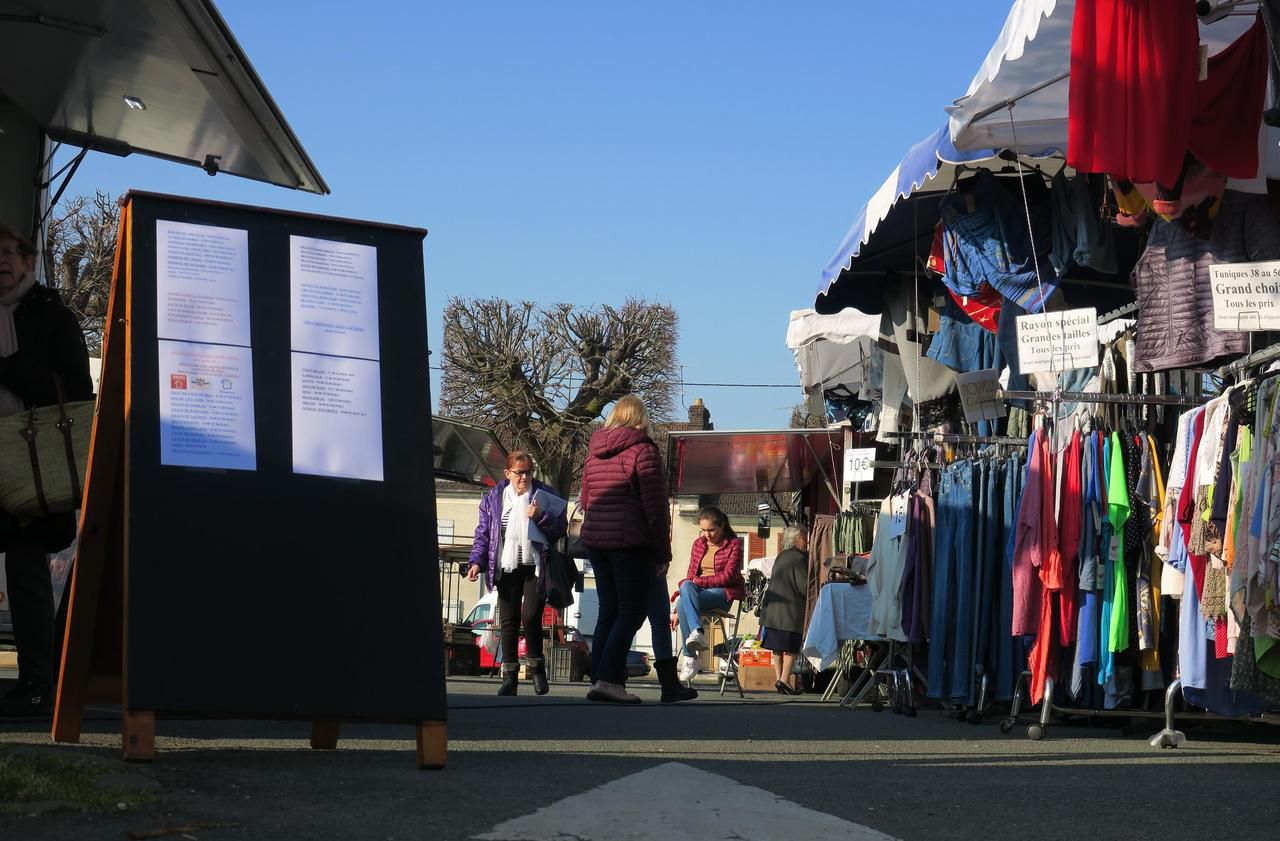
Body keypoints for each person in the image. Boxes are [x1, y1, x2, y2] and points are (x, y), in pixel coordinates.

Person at [0, 223, 92, 716]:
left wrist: (9, 367)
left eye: (9, 252)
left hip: (33, 464)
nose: (1, 261)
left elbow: (77, 392)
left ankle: (37, 682)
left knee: (26, 565)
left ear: (30, 262)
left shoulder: (52, 314)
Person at [579, 394, 671, 704]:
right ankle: (608, 679)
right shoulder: (643, 451)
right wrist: (662, 552)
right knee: (631, 612)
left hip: (595, 541)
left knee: (608, 610)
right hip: (629, 542)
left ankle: (601, 680)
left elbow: (587, 500)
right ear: (640, 418)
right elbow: (655, 507)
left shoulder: (594, 453)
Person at [467, 451, 567, 697]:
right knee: (508, 622)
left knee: (531, 615)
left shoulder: (545, 494)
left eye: (529, 472)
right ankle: (509, 677)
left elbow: (560, 528)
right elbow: (484, 533)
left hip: (535, 565)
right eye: (519, 472)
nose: (524, 477)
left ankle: (537, 668)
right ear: (508, 473)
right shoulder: (494, 498)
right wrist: (476, 561)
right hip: (506, 564)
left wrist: (540, 516)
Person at [672, 505, 746, 682]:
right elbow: (691, 575)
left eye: (711, 530)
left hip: (722, 593)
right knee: (684, 595)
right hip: (696, 592)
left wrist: (699, 582)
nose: (707, 534)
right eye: (703, 530)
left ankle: (690, 657)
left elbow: (728, 577)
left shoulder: (734, 544)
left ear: (722, 526)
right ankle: (697, 635)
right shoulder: (699, 544)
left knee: (687, 595)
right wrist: (676, 608)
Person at [759, 525, 809, 695]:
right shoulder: (799, 559)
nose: (806, 541)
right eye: (804, 538)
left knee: (777, 648)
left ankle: (779, 679)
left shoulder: (781, 556)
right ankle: (785, 680)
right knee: (791, 647)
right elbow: (804, 587)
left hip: (772, 611)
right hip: (789, 612)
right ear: (795, 540)